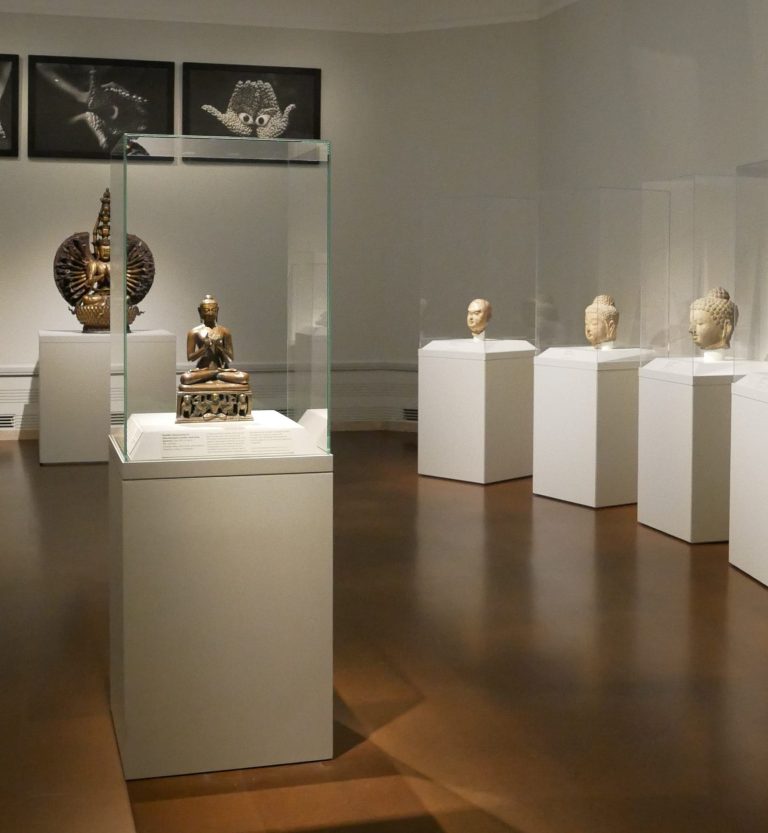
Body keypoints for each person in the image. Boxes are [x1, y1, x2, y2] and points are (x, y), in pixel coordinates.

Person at [179, 295, 250, 387]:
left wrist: (219, 346)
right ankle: (214, 374)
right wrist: (204, 348)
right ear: (200, 311)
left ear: (217, 311)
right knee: (185, 378)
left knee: (244, 377)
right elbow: (190, 357)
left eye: (213, 310)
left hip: (221, 369)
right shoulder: (194, 332)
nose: (210, 313)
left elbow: (230, 358)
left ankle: (214, 374)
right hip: (203, 369)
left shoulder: (225, 331)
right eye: (206, 310)